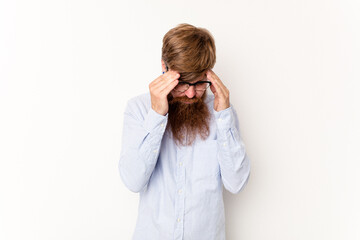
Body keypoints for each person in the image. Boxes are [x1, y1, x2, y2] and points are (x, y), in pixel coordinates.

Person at [118, 23, 251, 240]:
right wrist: (157, 116)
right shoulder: (139, 110)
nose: (190, 94)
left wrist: (224, 116)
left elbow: (236, 183)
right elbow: (132, 180)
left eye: (200, 83)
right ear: (164, 67)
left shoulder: (221, 113)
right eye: (182, 83)